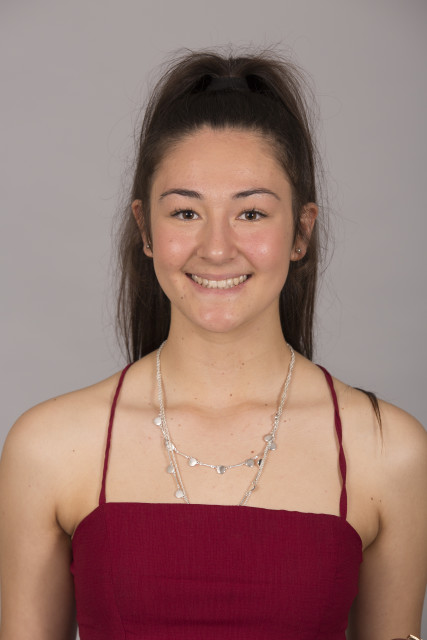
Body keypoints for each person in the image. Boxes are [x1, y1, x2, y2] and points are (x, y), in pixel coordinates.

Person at [0, 48, 426, 640]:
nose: (218, 248)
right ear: (145, 229)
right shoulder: (48, 447)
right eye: (185, 213)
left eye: (251, 214)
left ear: (301, 231)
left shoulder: (388, 451)